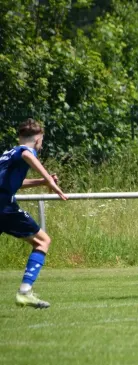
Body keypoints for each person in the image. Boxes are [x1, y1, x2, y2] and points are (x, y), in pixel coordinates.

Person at [0, 118, 68, 308]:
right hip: (4, 207)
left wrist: (41, 182)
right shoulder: (25, 151)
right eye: (42, 141)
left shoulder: (7, 154)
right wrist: (50, 181)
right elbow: (28, 156)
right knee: (43, 241)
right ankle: (24, 292)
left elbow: (12, 183)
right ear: (38, 140)